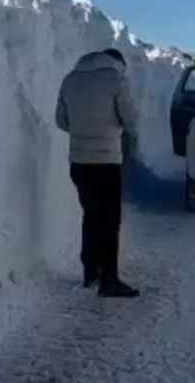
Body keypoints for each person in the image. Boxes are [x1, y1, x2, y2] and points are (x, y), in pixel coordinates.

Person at [55, 48, 140, 297]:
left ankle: (90, 271)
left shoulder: (70, 79)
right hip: (106, 160)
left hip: (79, 160)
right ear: (118, 62)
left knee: (91, 214)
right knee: (110, 219)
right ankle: (109, 279)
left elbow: (61, 120)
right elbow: (132, 120)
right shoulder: (116, 80)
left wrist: (82, 130)